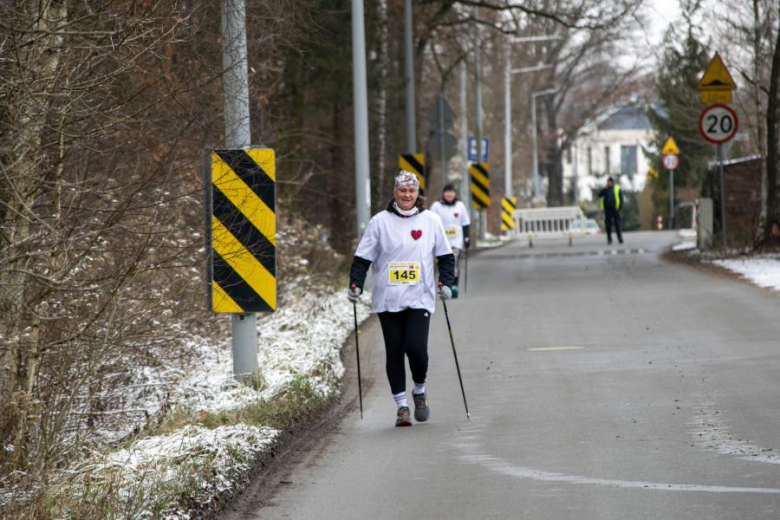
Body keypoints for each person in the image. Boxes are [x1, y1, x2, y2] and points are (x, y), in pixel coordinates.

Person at [348, 171, 456, 427]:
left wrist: (446, 283)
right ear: (395, 192)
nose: (407, 195)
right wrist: (355, 283)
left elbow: (446, 257)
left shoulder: (431, 221)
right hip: (388, 298)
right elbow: (362, 258)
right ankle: (401, 407)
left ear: (418, 194)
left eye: (411, 191)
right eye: (402, 190)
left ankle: (419, 391)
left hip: (420, 297)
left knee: (416, 348)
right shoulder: (379, 222)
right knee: (394, 350)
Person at [429, 184, 470, 298]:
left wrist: (466, 237)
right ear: (443, 193)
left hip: (456, 241)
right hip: (441, 241)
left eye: (451, 192)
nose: (449, 194)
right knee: (443, 264)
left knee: (454, 262)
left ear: (455, 194)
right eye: (447, 192)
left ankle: (454, 286)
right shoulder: (436, 206)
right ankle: (444, 285)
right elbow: (430, 222)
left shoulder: (460, 206)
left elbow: (465, 222)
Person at [599, 176, 623, 245]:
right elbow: (599, 195)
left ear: (612, 182)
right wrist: (604, 188)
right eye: (607, 182)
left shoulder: (617, 188)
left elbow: (621, 199)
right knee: (608, 225)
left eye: (609, 182)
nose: (608, 183)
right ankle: (609, 239)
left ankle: (620, 238)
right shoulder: (605, 189)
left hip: (615, 209)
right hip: (607, 209)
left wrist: (620, 208)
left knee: (617, 224)